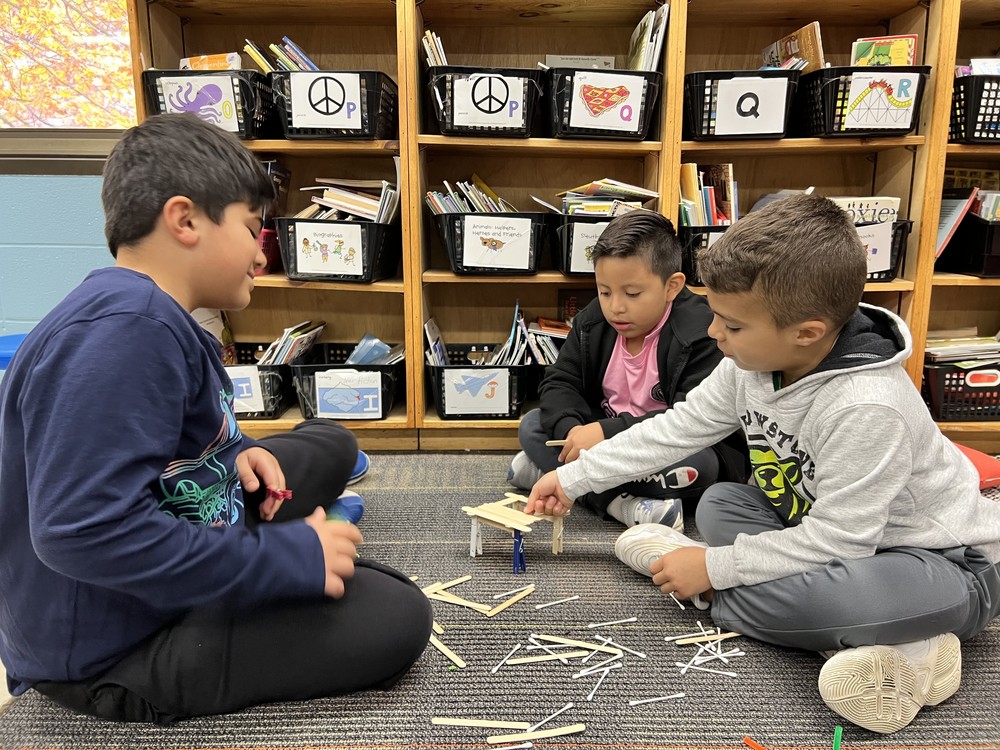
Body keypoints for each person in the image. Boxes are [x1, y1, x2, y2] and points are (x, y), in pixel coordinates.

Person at [0, 113, 432, 724]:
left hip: (190, 518)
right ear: (185, 220)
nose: (261, 254)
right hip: (112, 651)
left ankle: (269, 530)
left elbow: (170, 445)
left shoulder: (150, 314)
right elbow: (80, 532)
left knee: (329, 442)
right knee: (397, 614)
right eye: (253, 229)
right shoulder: (126, 331)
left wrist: (235, 452)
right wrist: (287, 559)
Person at [525, 194, 1000, 735]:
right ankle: (894, 640)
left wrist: (714, 571)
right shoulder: (751, 364)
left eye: (731, 324)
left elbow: (843, 542)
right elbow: (677, 428)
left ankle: (861, 628)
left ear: (807, 332)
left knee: (820, 589)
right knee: (724, 501)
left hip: (939, 562)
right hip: (818, 532)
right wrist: (572, 476)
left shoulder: (866, 404)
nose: (712, 333)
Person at [509, 210, 747, 529]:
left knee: (699, 465)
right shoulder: (594, 321)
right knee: (534, 425)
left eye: (632, 294)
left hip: (670, 443)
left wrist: (605, 433)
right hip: (602, 438)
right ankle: (621, 504)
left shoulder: (703, 332)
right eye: (604, 291)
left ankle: (553, 474)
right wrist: (572, 432)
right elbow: (560, 382)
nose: (615, 306)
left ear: (672, 286)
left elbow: (690, 419)